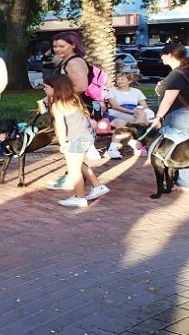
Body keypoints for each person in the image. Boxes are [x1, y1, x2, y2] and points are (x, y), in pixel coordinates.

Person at [47, 32, 101, 189]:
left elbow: (81, 87)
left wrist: (58, 97)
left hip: (75, 110)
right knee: (73, 152)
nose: (57, 49)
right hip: (72, 107)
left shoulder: (74, 63)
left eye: (61, 46)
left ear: (73, 45)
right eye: (55, 46)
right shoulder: (66, 62)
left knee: (72, 148)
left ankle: (76, 182)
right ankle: (78, 179)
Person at [44, 75, 109, 208]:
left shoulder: (58, 105)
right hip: (86, 136)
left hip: (75, 139)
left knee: (74, 169)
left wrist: (62, 143)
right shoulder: (74, 99)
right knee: (79, 164)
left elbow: (60, 126)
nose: (44, 89)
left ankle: (79, 198)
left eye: (46, 87)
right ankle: (97, 186)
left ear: (55, 88)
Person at [152, 43, 189, 192]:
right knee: (186, 148)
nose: (161, 57)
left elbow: (169, 99)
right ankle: (183, 181)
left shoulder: (176, 74)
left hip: (178, 115)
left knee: (180, 149)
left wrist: (158, 117)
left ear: (169, 55)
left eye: (162, 54)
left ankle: (186, 183)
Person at [104, 73, 152, 159]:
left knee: (142, 113)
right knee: (124, 121)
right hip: (117, 111)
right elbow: (114, 106)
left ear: (129, 81)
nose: (119, 81)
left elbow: (144, 105)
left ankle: (136, 143)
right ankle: (115, 148)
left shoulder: (137, 91)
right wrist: (131, 112)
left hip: (134, 111)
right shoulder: (112, 90)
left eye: (122, 79)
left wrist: (138, 109)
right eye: (118, 79)